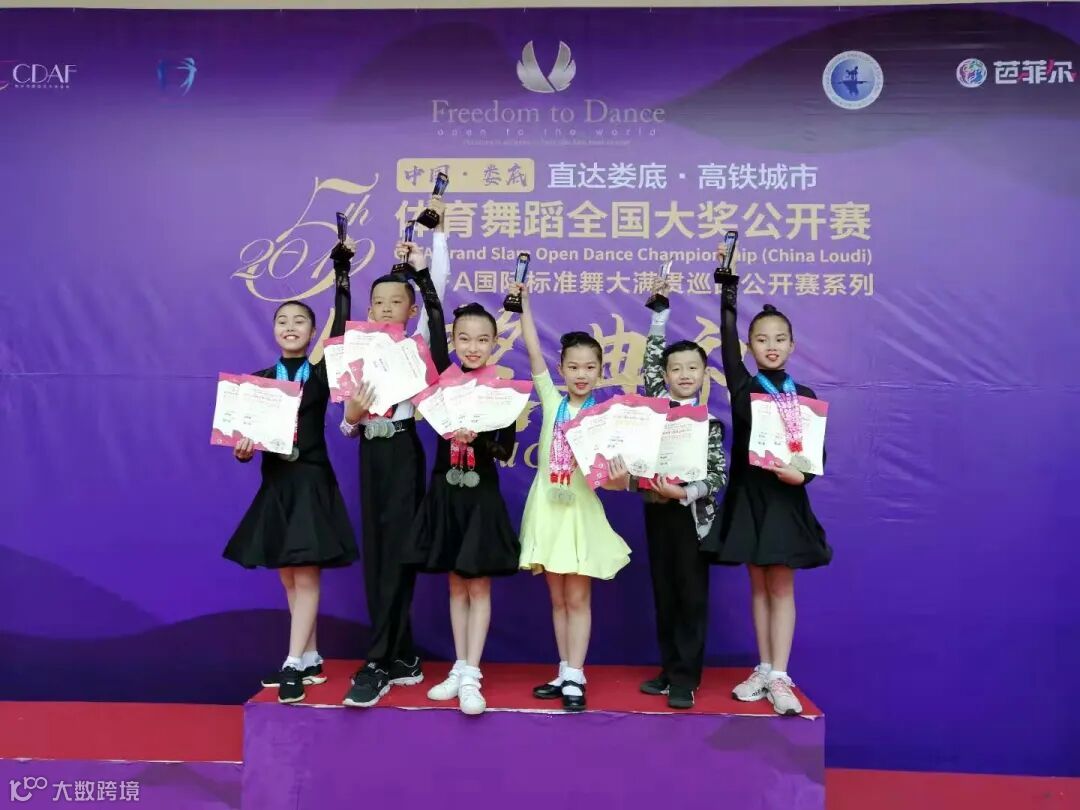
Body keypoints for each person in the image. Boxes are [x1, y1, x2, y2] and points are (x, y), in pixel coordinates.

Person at [223, 247, 358, 705]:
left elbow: (342, 327)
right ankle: (311, 656)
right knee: (288, 575)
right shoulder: (259, 382)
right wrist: (243, 451)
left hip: (311, 481)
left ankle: (292, 662)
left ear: (313, 332)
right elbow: (244, 445)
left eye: (300, 321)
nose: (290, 327)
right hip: (277, 484)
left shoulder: (319, 373)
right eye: (283, 321)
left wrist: (342, 274)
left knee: (306, 574)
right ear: (274, 330)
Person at [704, 246, 832, 716]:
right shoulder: (744, 386)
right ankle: (763, 668)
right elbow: (725, 335)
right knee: (757, 586)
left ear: (792, 345)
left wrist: (802, 475)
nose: (771, 345)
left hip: (784, 500)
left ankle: (781, 674)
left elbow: (815, 456)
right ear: (750, 346)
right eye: (761, 339)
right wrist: (728, 287)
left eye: (779, 338)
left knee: (781, 587)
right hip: (749, 499)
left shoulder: (806, 396)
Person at [338, 205, 450, 708]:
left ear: (410, 309)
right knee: (379, 554)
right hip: (370, 450)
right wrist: (351, 417)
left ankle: (378, 661)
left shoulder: (416, 344)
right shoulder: (355, 348)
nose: (386, 309)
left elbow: (437, 290)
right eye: (378, 301)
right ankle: (401, 654)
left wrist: (436, 243)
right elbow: (348, 425)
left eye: (395, 302)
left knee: (400, 553)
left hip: (404, 448)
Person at [511, 280, 632, 712]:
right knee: (558, 598)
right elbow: (532, 350)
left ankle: (577, 673)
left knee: (578, 598)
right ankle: (564, 670)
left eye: (590, 367)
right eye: (574, 366)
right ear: (561, 369)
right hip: (547, 508)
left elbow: (614, 484)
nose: (581, 374)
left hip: (580, 512)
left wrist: (620, 477)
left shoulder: (605, 417)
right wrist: (524, 304)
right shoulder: (551, 399)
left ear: (600, 372)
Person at [406, 302, 521, 716]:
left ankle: (473, 673)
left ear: (494, 344)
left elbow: (505, 450)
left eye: (483, 339)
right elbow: (434, 328)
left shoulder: (501, 394)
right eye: (465, 338)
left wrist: (480, 440)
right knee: (455, 583)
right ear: (454, 341)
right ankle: (458, 666)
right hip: (445, 491)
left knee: (478, 585)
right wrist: (424, 281)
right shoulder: (442, 385)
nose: (473, 347)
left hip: (480, 496)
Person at [632, 280, 727, 709]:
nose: (685, 374)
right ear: (665, 376)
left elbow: (718, 476)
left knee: (691, 598)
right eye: (676, 369)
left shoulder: (710, 424)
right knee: (664, 595)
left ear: (704, 374)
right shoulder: (656, 407)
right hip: (657, 511)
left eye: (693, 368)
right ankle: (669, 670)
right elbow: (650, 360)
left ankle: (687, 678)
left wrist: (685, 491)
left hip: (692, 519)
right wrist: (660, 316)